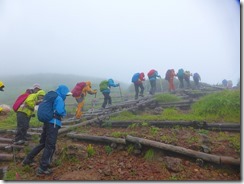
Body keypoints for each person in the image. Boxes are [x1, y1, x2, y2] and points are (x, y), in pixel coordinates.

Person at [22, 85, 72, 176]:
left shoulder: (50, 96)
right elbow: (60, 111)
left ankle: (28, 159)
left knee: (43, 143)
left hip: (47, 122)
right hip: (53, 123)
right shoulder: (59, 98)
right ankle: (43, 168)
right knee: (50, 145)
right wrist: (64, 113)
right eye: (66, 94)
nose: (66, 96)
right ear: (63, 92)